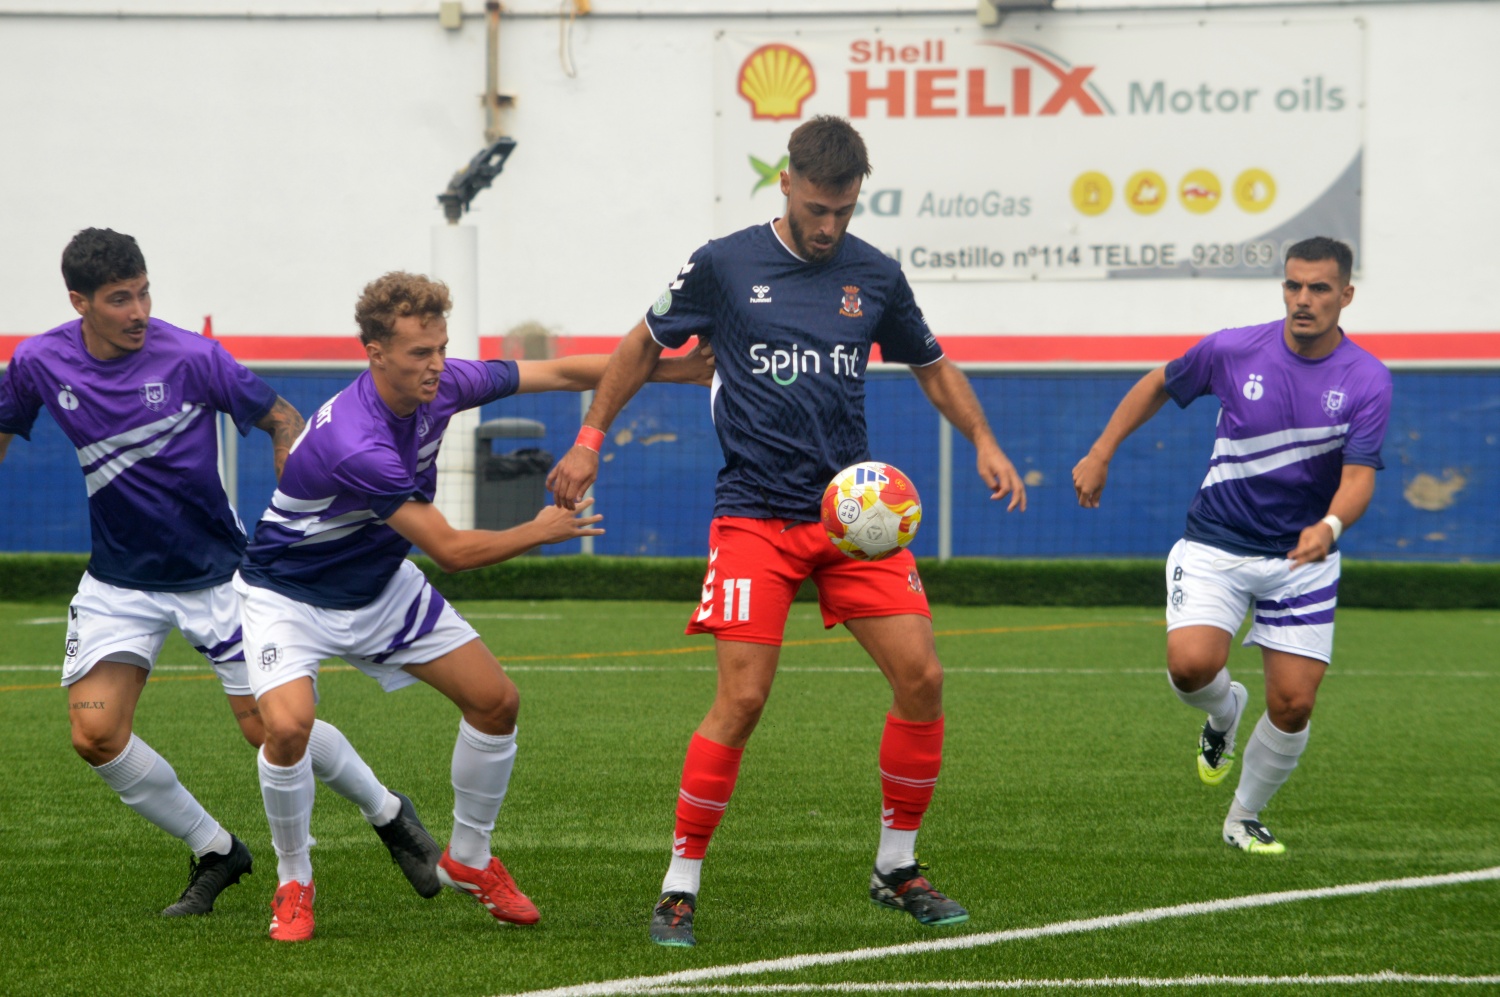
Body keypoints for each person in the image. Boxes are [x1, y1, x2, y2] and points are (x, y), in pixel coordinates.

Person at [548, 115, 1027, 947]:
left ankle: (896, 866)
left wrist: (984, 440)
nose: (828, 227)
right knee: (742, 696)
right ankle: (679, 883)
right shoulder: (724, 264)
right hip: (754, 518)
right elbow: (638, 345)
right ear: (787, 184)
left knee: (923, 676)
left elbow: (931, 364)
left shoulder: (875, 275)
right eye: (816, 208)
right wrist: (590, 441)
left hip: (855, 522)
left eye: (842, 211)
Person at [235, 270, 709, 942]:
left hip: (377, 584)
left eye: (440, 348)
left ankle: (470, 857)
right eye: (418, 354)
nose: (435, 366)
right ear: (374, 353)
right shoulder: (356, 440)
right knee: (287, 727)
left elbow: (563, 372)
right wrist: (538, 530)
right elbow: (451, 550)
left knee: (496, 701)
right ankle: (293, 879)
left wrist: (675, 369)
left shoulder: (445, 383)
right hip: (288, 597)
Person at [0, 228, 440, 917]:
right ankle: (216, 849)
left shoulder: (193, 356)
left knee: (270, 728)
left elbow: (282, 415)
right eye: (121, 298)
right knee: (94, 733)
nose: (140, 308)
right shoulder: (38, 362)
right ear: (79, 302)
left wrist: (293, 484)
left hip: (219, 578)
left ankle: (388, 814)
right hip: (118, 583)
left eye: (144, 291)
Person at [1071, 236, 1392, 855]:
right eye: (1293, 286)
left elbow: (1358, 480)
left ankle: (1242, 816)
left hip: (1303, 560)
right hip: (1217, 542)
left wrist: (1328, 529)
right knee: (1191, 667)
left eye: (1319, 289)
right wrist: (1101, 451)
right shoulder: (1233, 348)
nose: (1304, 300)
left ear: (1345, 295)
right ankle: (1224, 713)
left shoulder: (1367, 379)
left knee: (1295, 704)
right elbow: (1158, 383)